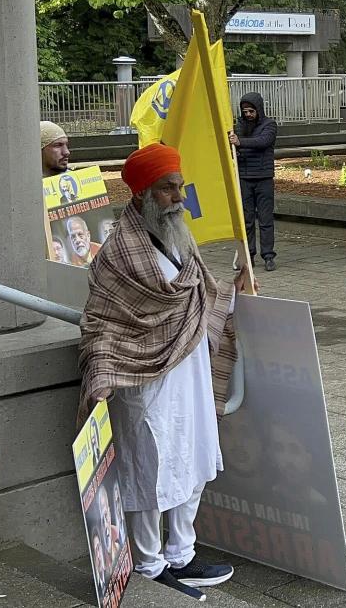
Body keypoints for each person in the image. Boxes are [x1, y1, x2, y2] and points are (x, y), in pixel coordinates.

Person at [78, 143, 240, 600]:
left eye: (180, 186)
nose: (179, 197)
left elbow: (201, 290)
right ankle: (150, 565)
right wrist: (106, 369)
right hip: (144, 379)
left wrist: (236, 286)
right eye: (168, 189)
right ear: (142, 194)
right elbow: (103, 320)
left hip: (188, 372)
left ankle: (182, 555)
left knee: (194, 455)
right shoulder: (118, 252)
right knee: (150, 468)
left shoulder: (178, 236)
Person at [230, 92, 278, 271]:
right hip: (244, 178)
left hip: (264, 178)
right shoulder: (239, 126)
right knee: (247, 220)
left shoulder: (269, 125)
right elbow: (236, 149)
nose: (248, 114)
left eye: (251, 111)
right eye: (245, 111)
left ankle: (268, 256)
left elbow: (263, 142)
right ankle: (248, 254)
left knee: (265, 219)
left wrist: (239, 142)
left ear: (259, 109)